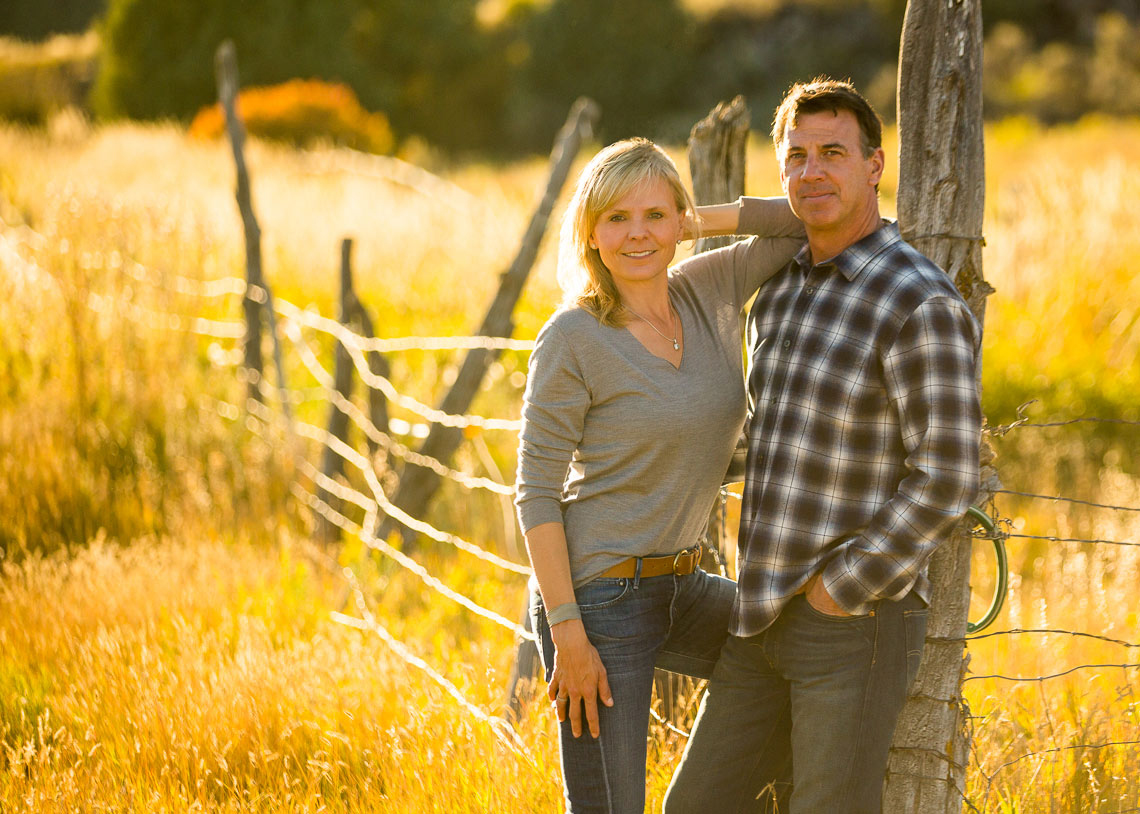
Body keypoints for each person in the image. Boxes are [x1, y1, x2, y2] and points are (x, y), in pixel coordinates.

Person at [663, 78, 982, 814]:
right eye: (796, 157)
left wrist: (841, 589)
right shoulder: (779, 289)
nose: (812, 173)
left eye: (833, 153)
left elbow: (947, 475)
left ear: (875, 165)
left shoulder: (918, 301)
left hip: (852, 628)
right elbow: (765, 436)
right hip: (759, 612)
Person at [513, 137, 803, 814]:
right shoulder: (573, 338)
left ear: (680, 219)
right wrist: (566, 633)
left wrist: (691, 220)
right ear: (589, 233)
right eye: (616, 218)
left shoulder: (708, 289)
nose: (637, 233)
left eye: (654, 215)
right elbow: (534, 492)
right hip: (598, 598)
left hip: (682, 583)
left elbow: (798, 219)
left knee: (799, 657)